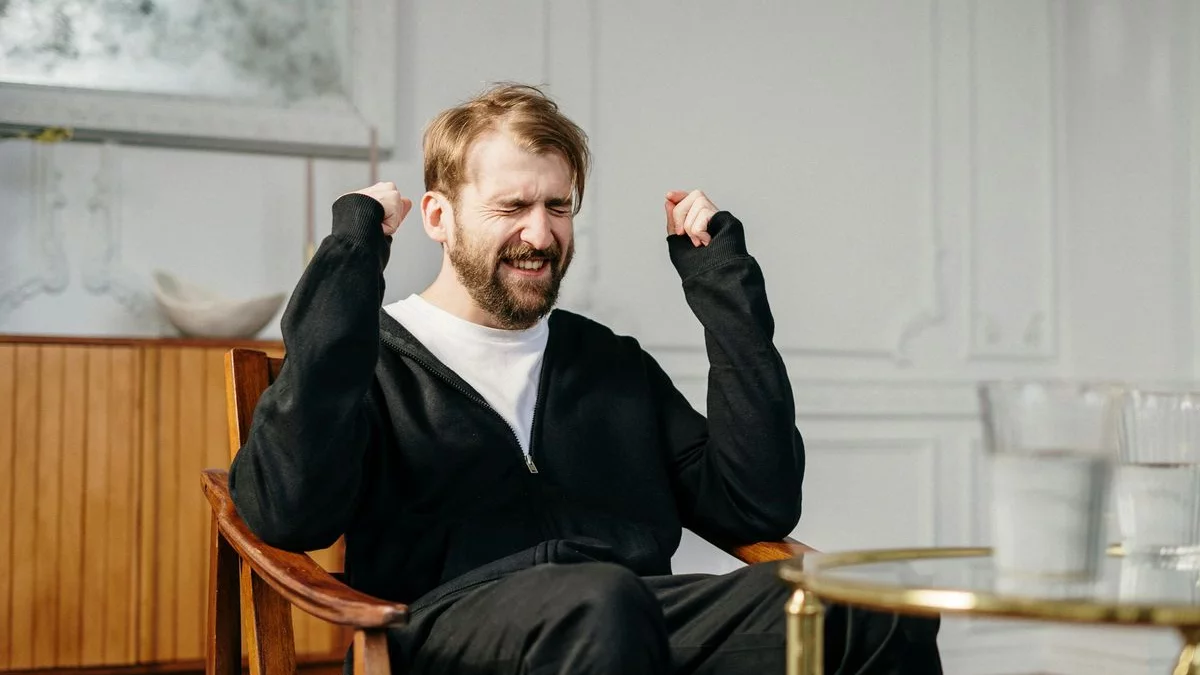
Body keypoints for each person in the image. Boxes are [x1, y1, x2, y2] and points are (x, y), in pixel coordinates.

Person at [228, 83, 942, 674]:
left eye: (558, 207)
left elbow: (757, 505)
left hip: (630, 618)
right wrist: (352, 254)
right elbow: (288, 514)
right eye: (512, 207)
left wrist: (724, 289)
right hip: (442, 633)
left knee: (874, 603)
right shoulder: (371, 359)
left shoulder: (609, 364)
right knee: (602, 602)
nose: (540, 234)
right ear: (438, 218)